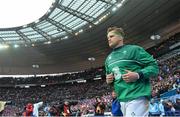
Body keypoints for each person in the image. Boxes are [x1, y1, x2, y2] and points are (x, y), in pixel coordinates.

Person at [105, 26, 159, 116]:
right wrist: (108, 81)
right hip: (121, 99)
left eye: (112, 36)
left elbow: (154, 67)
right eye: (108, 38)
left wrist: (138, 74)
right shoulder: (108, 59)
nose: (109, 39)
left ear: (120, 37)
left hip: (137, 96)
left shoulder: (134, 50)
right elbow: (111, 79)